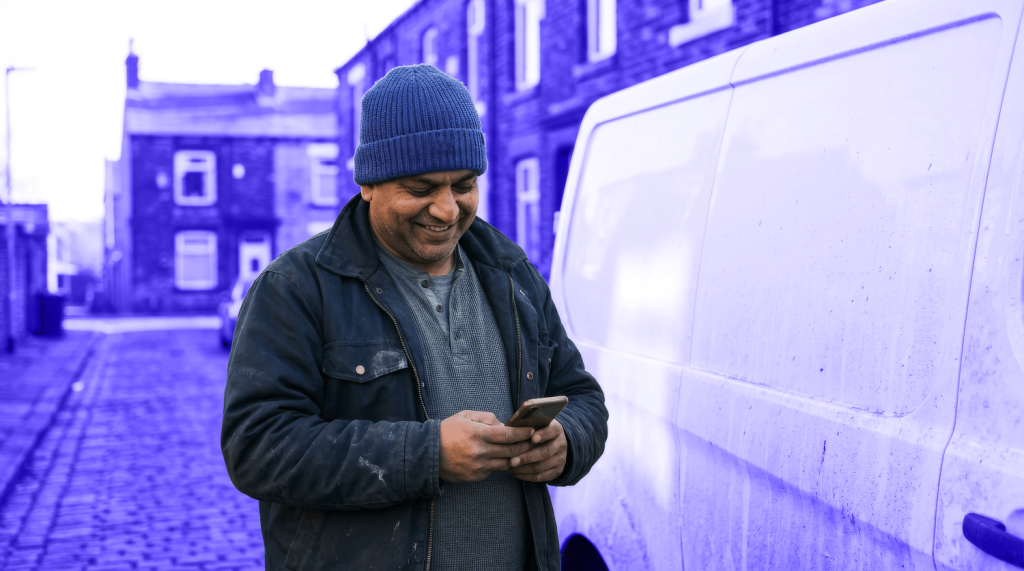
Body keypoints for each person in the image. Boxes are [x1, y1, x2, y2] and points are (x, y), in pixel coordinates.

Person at [221, 64, 608, 571]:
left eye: (464, 185)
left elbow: (583, 397)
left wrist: (566, 443)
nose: (447, 210)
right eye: (422, 188)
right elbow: (257, 445)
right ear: (369, 184)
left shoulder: (513, 275)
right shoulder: (295, 287)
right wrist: (427, 454)